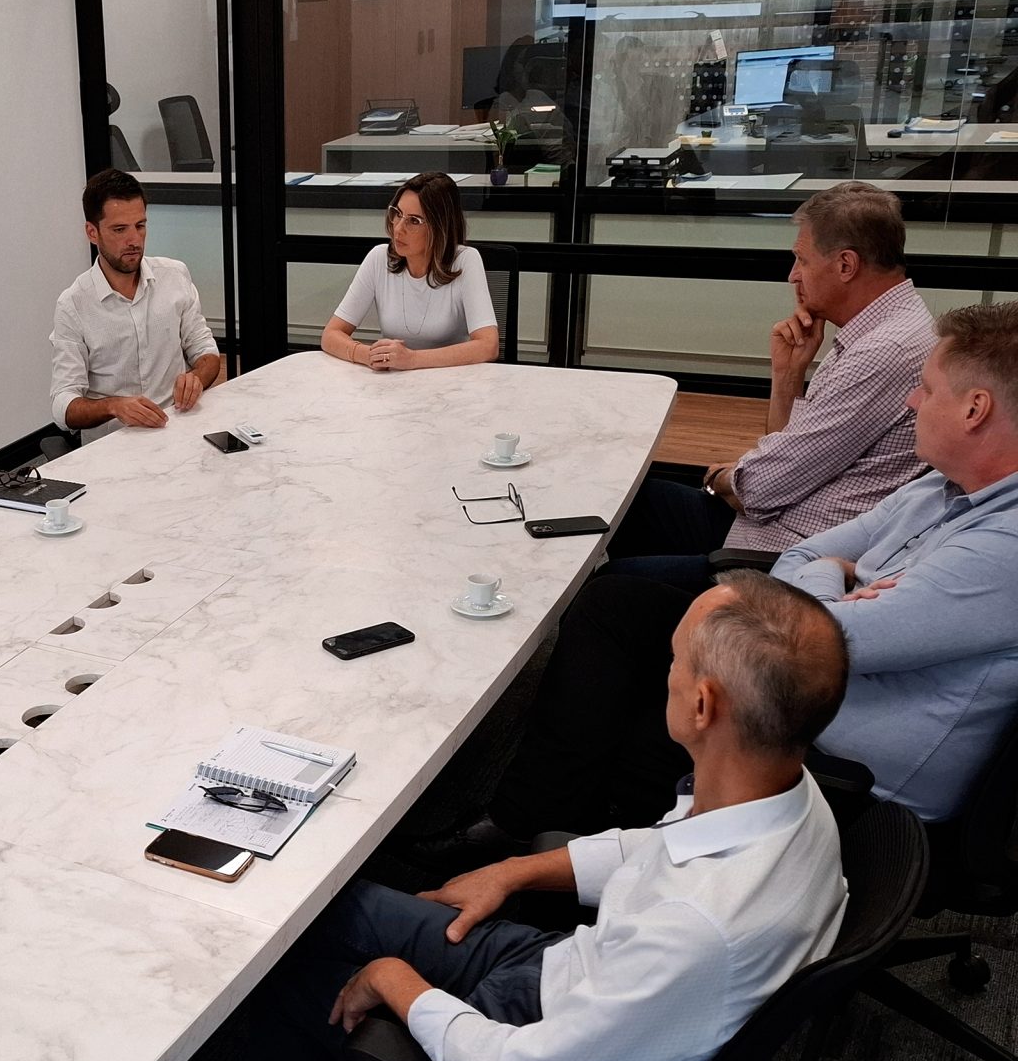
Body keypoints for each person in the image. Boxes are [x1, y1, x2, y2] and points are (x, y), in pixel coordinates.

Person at [190, 574, 848, 1061]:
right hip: (567, 974)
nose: (663, 674)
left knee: (282, 974)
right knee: (320, 912)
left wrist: (395, 981)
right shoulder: (789, 794)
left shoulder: (696, 928)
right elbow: (656, 850)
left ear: (702, 706)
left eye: (672, 660)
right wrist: (513, 872)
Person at [422, 301, 1018, 868]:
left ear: (975, 410)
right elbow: (805, 555)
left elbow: (834, 643)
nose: (912, 401)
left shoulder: (1004, 548)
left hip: (846, 757)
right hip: (809, 687)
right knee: (617, 605)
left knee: (658, 713)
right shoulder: (940, 487)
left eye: (927, 390)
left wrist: (839, 582)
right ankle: (537, 822)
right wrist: (833, 576)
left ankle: (562, 851)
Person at [604, 182, 935, 592]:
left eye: (802, 259)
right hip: (773, 522)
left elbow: (758, 489)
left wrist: (719, 478)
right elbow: (784, 450)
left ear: (846, 265)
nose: (792, 275)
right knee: (633, 503)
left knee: (609, 591)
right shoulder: (881, 328)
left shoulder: (883, 350)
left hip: (782, 560)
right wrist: (788, 375)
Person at [49, 168, 221, 431]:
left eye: (140, 226)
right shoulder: (73, 305)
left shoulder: (174, 276)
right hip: (116, 443)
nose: (134, 240)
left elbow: (206, 351)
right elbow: (63, 405)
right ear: (92, 233)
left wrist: (196, 377)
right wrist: (113, 406)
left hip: (176, 427)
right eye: (119, 229)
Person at [320, 172, 499, 372]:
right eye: (397, 214)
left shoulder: (465, 261)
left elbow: (488, 346)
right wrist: (369, 355)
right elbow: (331, 334)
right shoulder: (379, 258)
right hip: (394, 382)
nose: (398, 229)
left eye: (413, 221)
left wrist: (412, 359)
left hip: (451, 381)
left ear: (440, 227)